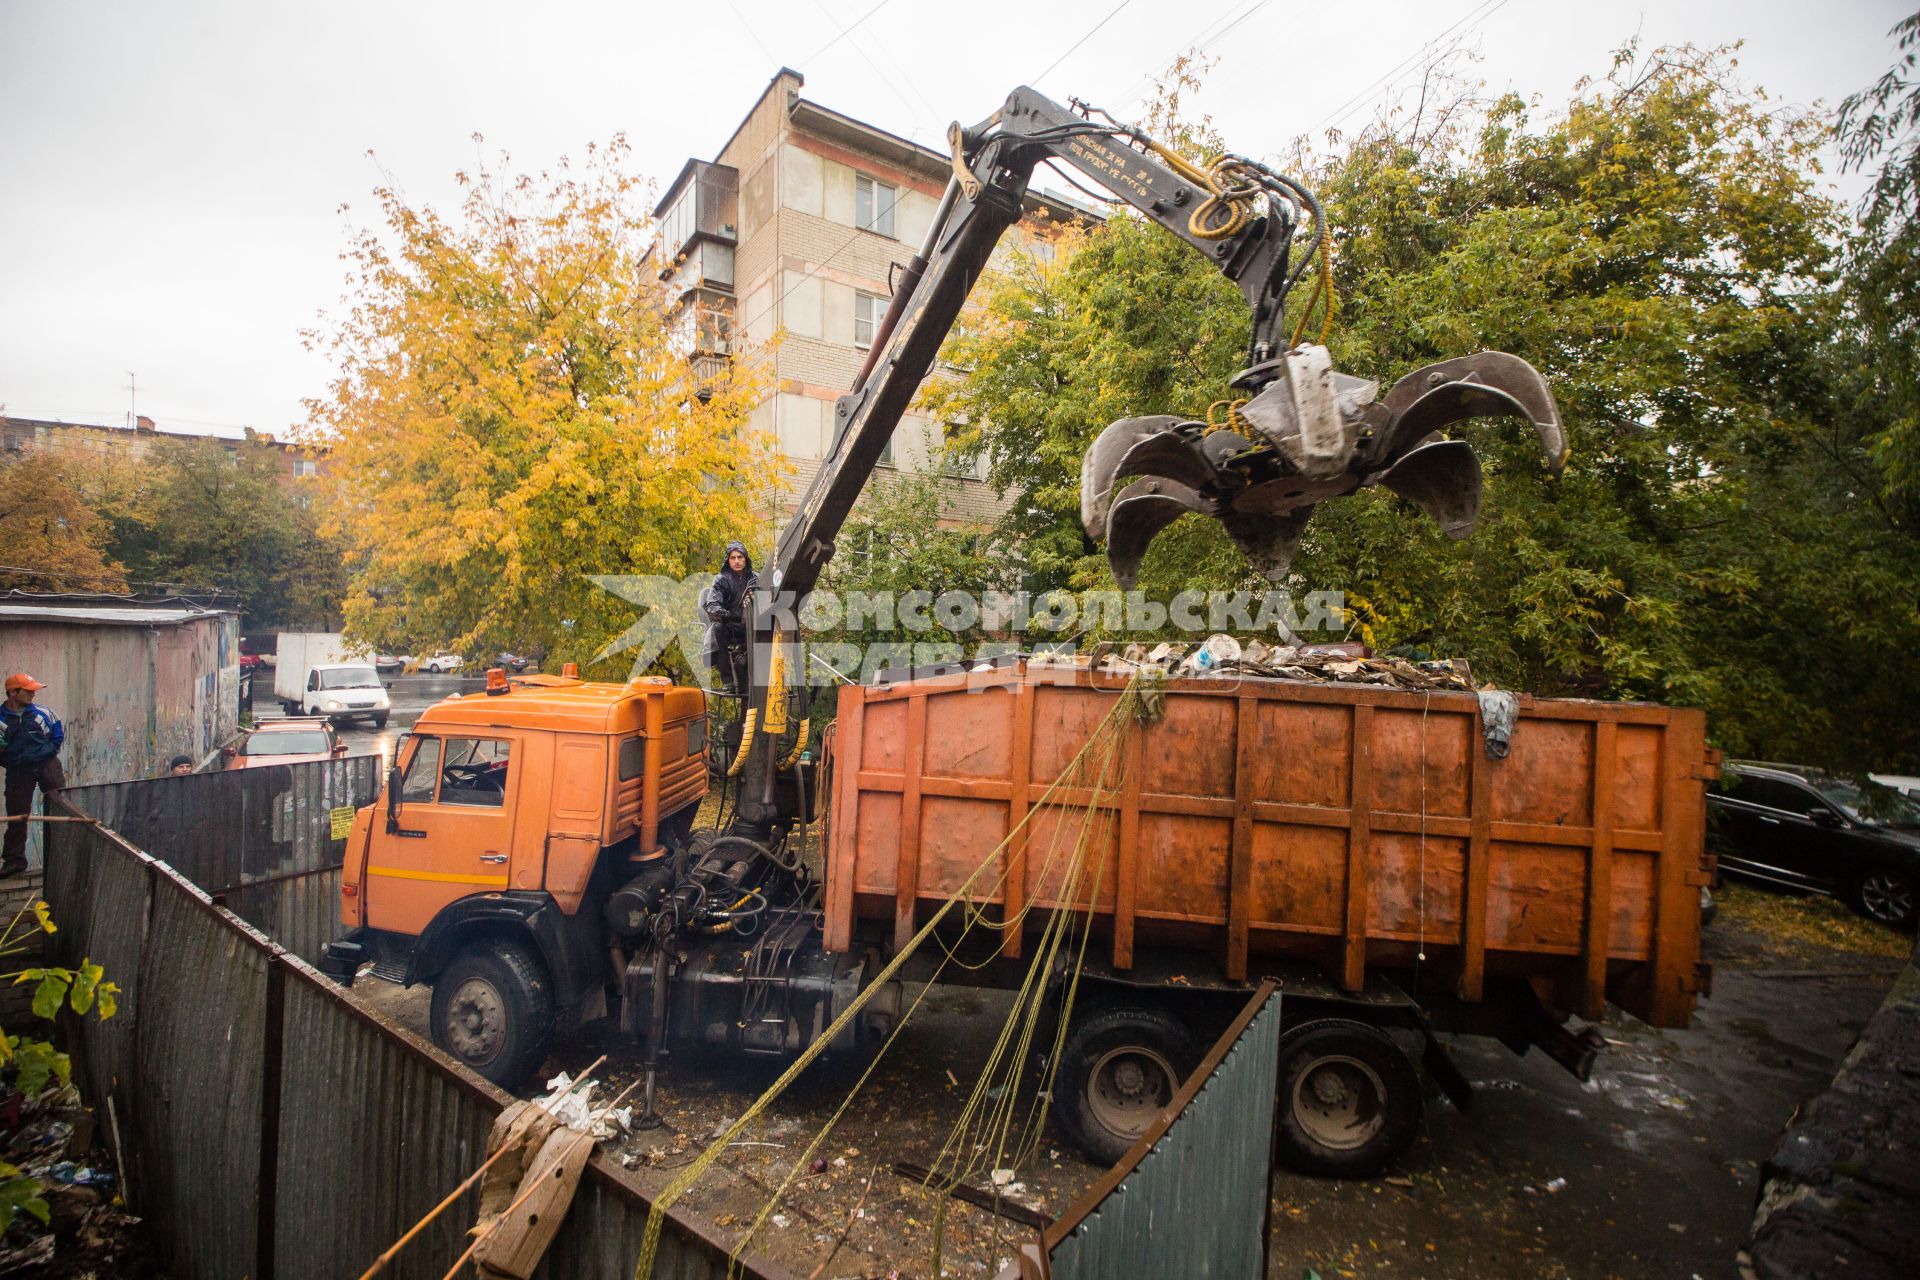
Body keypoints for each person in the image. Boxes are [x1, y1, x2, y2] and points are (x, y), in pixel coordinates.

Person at [1, 673, 65, 878]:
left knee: (60, 809)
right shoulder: (1, 719)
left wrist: (47, 753)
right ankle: (14, 862)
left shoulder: (43, 713)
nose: (33, 694)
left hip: (47, 765)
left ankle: (62, 856)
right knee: (17, 816)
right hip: (18, 771)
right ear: (13, 692)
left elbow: (57, 734)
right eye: (28, 691)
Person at [701, 541, 757, 696]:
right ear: (728, 560)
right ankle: (728, 680)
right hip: (730, 625)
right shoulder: (721, 580)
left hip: (752, 625)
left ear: (745, 559)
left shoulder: (756, 579)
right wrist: (722, 613)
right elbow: (712, 602)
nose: (737, 561)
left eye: (740, 557)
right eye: (733, 557)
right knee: (717, 629)